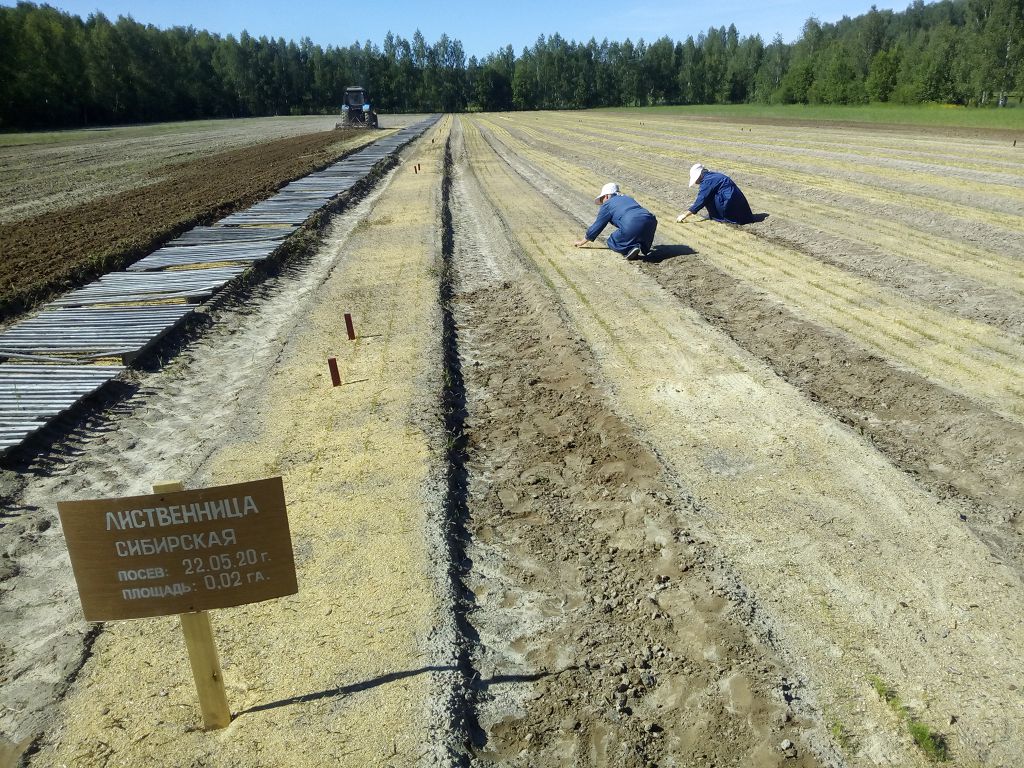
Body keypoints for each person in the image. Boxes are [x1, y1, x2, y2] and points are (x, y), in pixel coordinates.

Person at [574, 183, 657, 260]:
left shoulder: (607, 205)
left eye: (602, 199)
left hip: (631, 223)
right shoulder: (628, 198)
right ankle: (642, 247)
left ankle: (629, 250)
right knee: (637, 231)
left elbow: (597, 226)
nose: (602, 202)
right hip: (651, 221)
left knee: (611, 241)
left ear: (606, 196)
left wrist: (582, 242)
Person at [676, 163, 754, 225]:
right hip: (744, 211)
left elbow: (701, 200)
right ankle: (717, 216)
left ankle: (721, 217)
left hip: (732, 209)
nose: (696, 183)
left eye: (695, 180)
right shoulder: (712, 175)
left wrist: (685, 215)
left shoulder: (707, 181)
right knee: (710, 196)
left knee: (708, 199)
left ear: (699, 176)